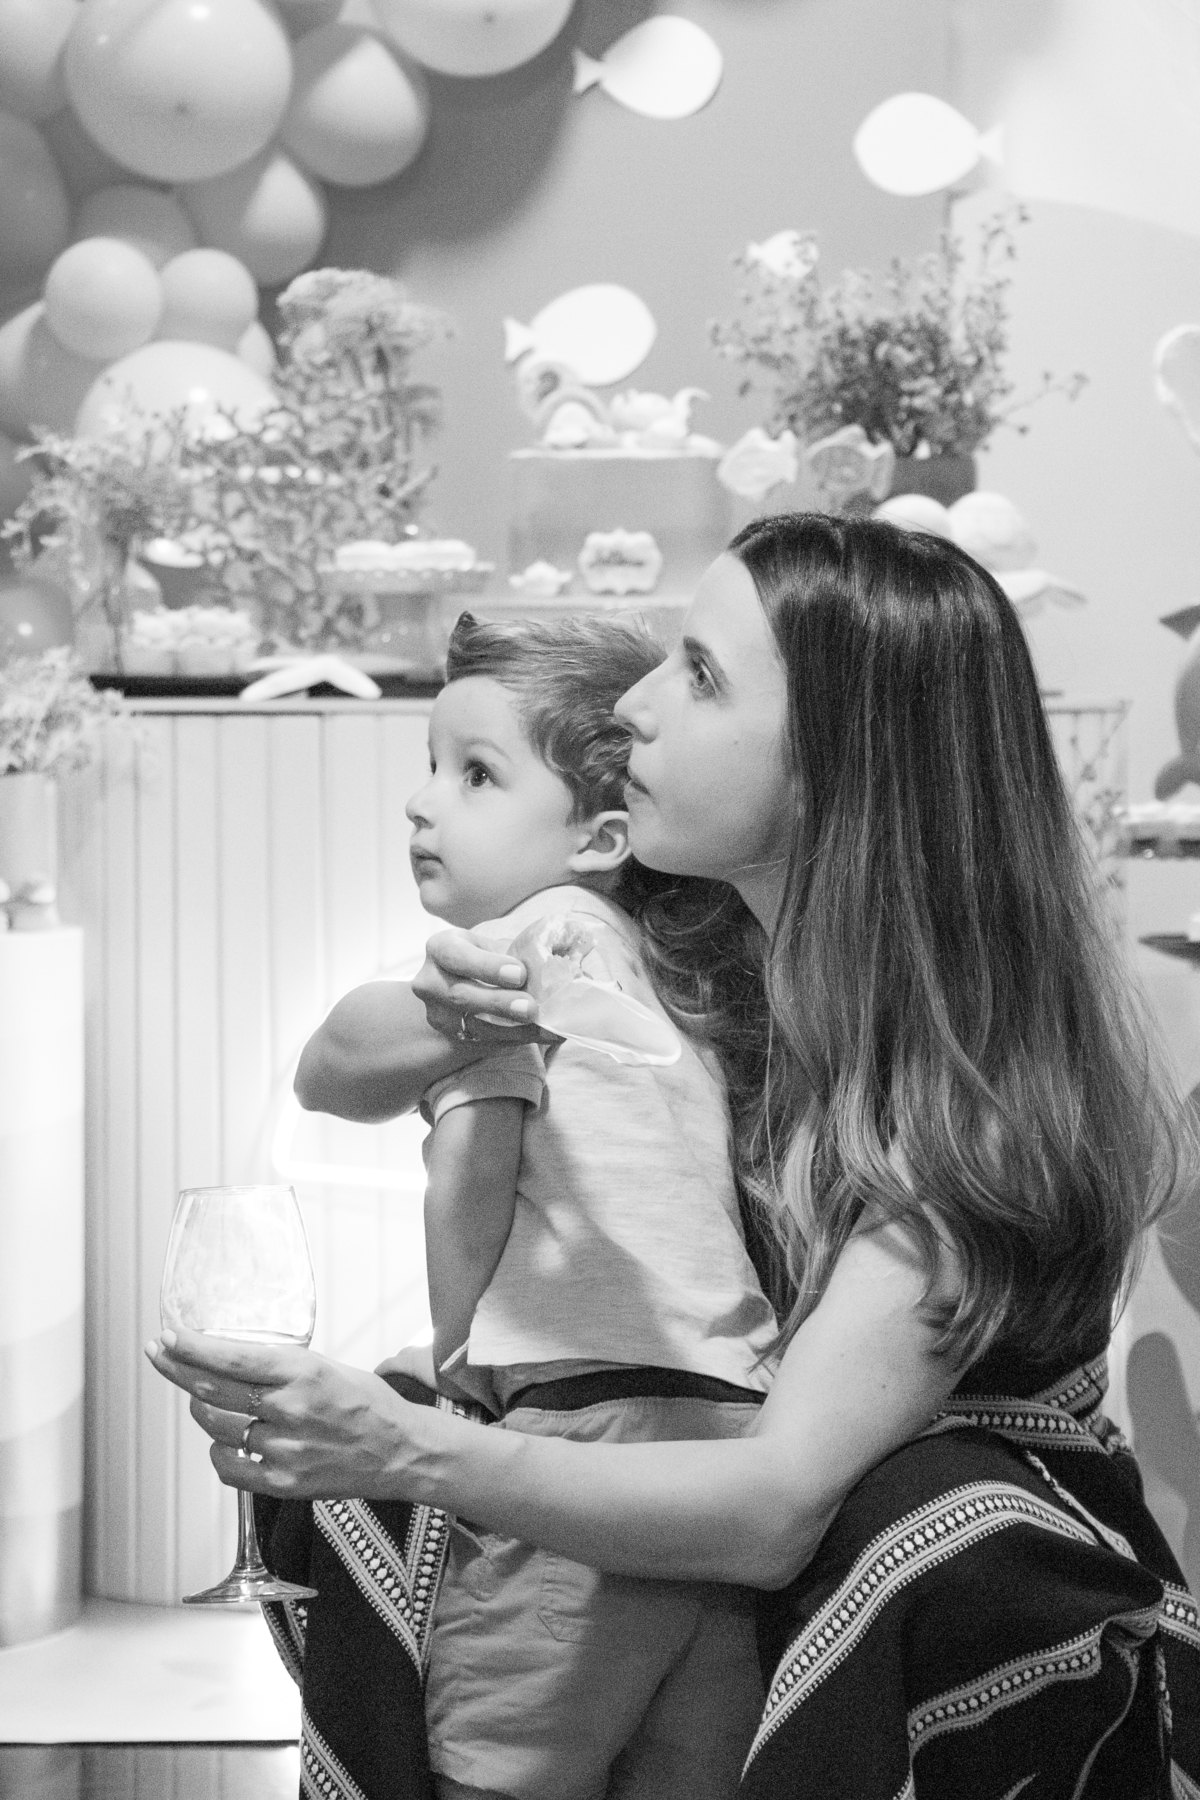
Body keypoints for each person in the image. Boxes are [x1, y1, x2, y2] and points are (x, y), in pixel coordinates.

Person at [148, 515, 1200, 1799]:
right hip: (713, 1542)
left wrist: (398, 1446)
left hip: (932, 1599)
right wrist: (453, 1018)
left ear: (835, 769)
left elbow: (770, 1508)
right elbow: (335, 1070)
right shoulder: (687, 952)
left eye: (698, 675)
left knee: (928, 1522)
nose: (635, 707)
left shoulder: (969, 1112)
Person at [399, 610, 778, 1800]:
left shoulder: (518, 956)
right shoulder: (671, 971)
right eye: (431, 766)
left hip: (582, 1421)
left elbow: (472, 1173)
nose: (423, 803)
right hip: (726, 1436)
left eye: (475, 775)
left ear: (600, 837)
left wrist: (454, 1352)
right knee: (688, 1769)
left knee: (503, 1762)